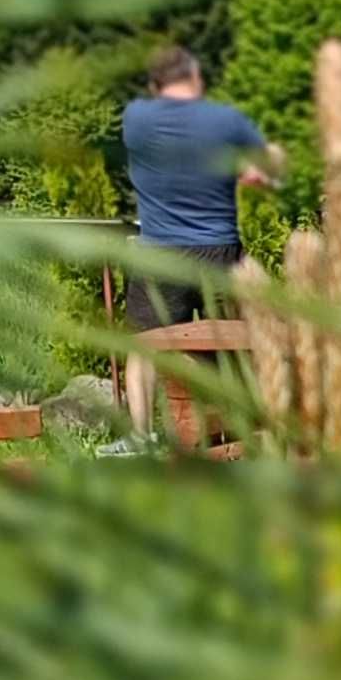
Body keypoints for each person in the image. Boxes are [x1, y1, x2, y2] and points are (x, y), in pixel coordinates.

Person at [115, 45, 283, 429]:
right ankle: (252, 426)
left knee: (144, 345)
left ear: (156, 85)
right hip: (220, 252)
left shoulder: (137, 118)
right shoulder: (226, 120)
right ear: (197, 79)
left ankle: (142, 437)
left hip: (161, 251)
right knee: (237, 341)